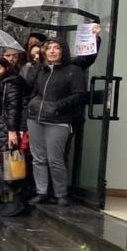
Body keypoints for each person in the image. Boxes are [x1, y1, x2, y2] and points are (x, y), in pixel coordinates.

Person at [25, 38, 87, 206]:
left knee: (55, 159)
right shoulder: (42, 70)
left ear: (63, 51)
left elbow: (80, 95)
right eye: (48, 48)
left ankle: (61, 194)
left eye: (56, 48)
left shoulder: (73, 70)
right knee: (38, 158)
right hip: (35, 118)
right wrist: (37, 66)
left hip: (59, 119)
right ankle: (41, 192)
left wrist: (58, 106)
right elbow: (29, 87)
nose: (51, 51)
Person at [0, 57, 30, 216]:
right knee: (0, 165)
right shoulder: (0, 84)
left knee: (9, 168)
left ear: (6, 68)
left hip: (8, 132)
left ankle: (15, 201)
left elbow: (13, 108)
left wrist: (12, 131)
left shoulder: (9, 83)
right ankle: (7, 200)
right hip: (2, 131)